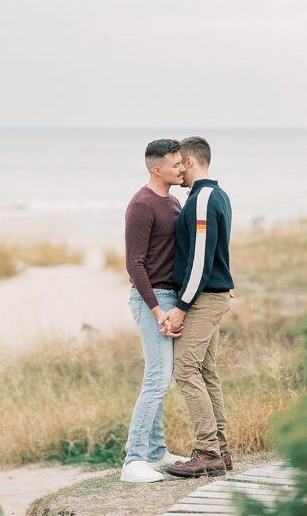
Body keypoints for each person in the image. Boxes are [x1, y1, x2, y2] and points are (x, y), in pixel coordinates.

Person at [161, 136, 235, 478]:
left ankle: (208, 452)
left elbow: (201, 259)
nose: (177, 169)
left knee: (186, 370)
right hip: (211, 295)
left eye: (179, 163)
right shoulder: (213, 195)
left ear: (190, 161)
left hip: (204, 298)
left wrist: (181, 306)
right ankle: (221, 452)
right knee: (205, 371)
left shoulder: (203, 199)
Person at [120, 139, 191, 484]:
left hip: (170, 298)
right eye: (175, 164)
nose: (182, 168)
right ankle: (133, 460)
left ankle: (157, 452)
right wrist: (156, 310)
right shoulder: (141, 205)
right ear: (157, 169)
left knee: (161, 376)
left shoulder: (173, 202)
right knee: (157, 379)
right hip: (152, 300)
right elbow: (134, 264)